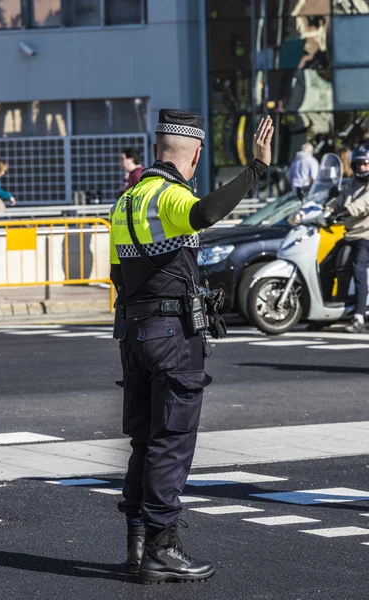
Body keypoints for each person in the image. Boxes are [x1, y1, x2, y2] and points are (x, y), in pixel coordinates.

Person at [109, 110, 273, 584]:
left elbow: (119, 276)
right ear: (195, 153)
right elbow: (205, 213)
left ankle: (138, 547)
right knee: (172, 441)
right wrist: (255, 170)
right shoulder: (171, 195)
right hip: (172, 336)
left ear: (156, 147)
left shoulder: (128, 199)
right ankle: (163, 550)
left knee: (144, 441)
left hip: (134, 334)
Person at [330, 142, 369, 333]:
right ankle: (331, 309)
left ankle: (359, 317)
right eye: (359, 164)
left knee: (358, 268)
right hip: (350, 234)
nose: (362, 168)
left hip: (366, 235)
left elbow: (362, 204)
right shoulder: (352, 183)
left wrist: (346, 211)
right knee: (331, 261)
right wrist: (327, 208)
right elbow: (339, 200)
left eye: (366, 164)